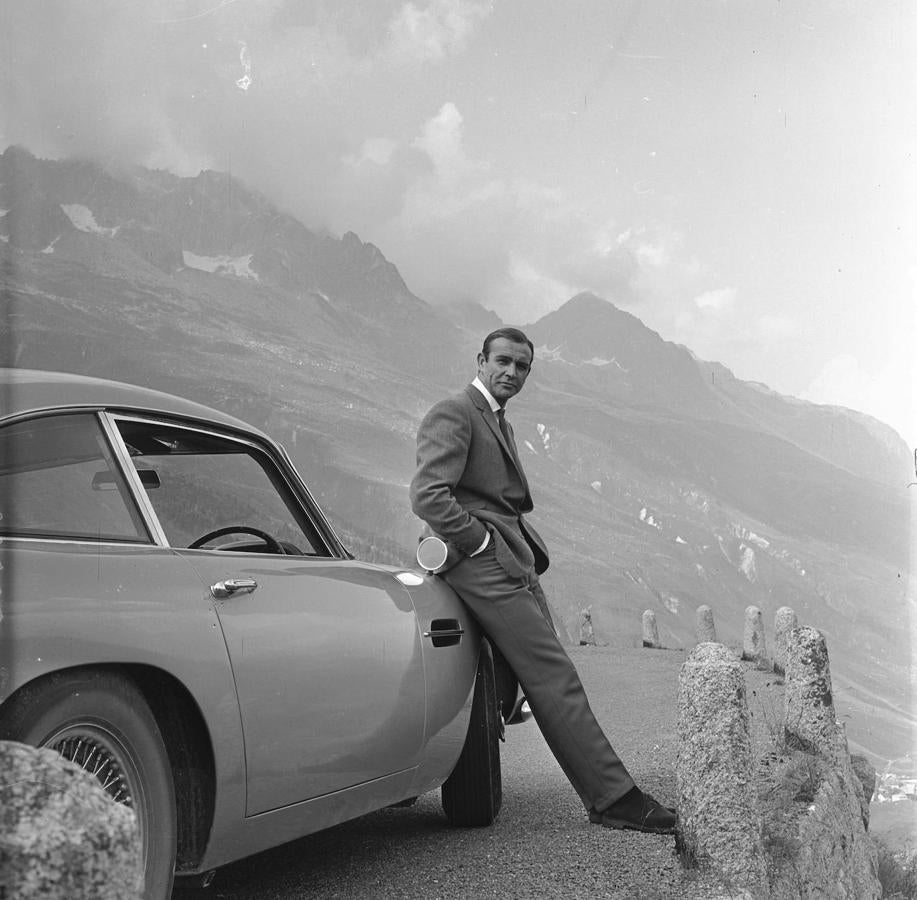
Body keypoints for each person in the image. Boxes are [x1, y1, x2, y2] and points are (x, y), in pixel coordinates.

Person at [410, 326, 676, 834]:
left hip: (509, 559)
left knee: (534, 675)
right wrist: (481, 543)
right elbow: (428, 496)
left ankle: (601, 793)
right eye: (503, 361)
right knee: (554, 677)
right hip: (482, 562)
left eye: (523, 366)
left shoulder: (494, 417)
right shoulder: (456, 412)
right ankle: (614, 798)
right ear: (481, 360)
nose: (512, 372)